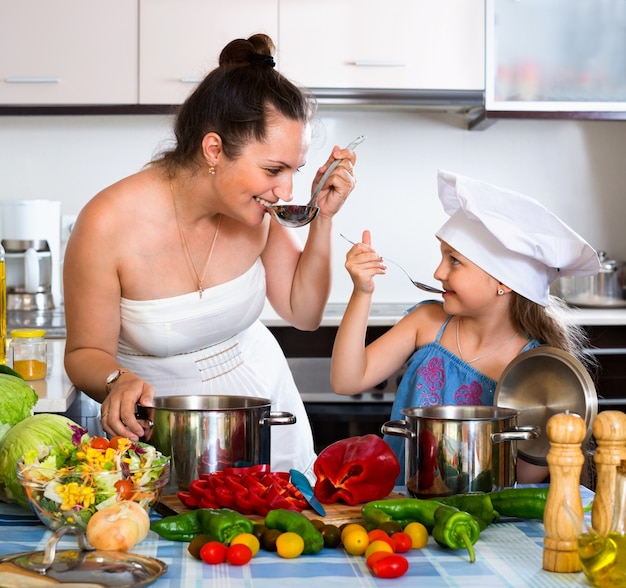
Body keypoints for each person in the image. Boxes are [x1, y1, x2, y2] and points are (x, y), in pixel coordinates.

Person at [63, 34, 359, 480]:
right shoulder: (108, 223)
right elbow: (85, 352)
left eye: (294, 171)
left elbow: (305, 313)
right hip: (162, 440)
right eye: (273, 169)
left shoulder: (257, 208)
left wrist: (322, 219)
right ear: (214, 150)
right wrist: (114, 381)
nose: (287, 191)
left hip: (267, 416)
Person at [331, 169, 600, 484]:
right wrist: (362, 292)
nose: (437, 271)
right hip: (403, 504)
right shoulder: (427, 323)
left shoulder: (536, 373)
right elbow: (346, 381)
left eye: (454, 260)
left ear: (504, 281)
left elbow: (523, 476)